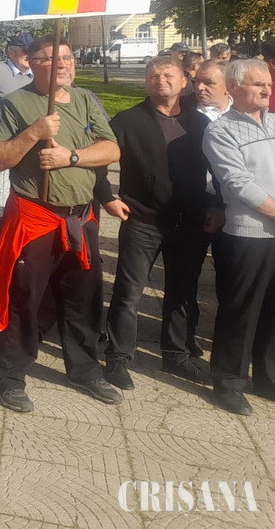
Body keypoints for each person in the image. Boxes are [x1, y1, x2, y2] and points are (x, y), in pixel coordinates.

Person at [0, 36, 122, 413]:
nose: (63, 64)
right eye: (51, 58)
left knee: (83, 297)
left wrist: (70, 157)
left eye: (68, 57)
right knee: (23, 299)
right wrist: (34, 133)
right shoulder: (15, 103)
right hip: (35, 218)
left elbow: (111, 149)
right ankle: (8, 376)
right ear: (31, 63)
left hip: (80, 218)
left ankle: (85, 369)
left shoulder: (85, 99)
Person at [101, 57, 217, 391]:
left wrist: (218, 204)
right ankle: (118, 356)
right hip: (143, 220)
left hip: (190, 220)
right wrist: (106, 196)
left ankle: (176, 354)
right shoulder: (127, 121)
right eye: (153, 75)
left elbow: (219, 168)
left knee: (183, 291)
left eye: (168, 75)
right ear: (146, 81)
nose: (160, 80)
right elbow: (99, 159)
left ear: (184, 81)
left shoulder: (200, 123)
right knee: (128, 292)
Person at [202, 58, 275, 415]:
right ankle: (228, 381)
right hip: (249, 233)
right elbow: (236, 182)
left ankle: (268, 376)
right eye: (258, 84)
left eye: (269, 84)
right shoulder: (221, 131)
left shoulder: (274, 122)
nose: (267, 89)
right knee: (241, 310)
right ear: (233, 88)